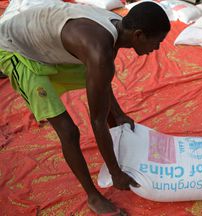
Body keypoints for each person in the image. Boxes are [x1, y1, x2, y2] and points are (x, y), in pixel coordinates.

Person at [0, 1, 170, 215]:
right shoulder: (99, 50)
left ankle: (118, 145)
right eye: (157, 42)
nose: (156, 49)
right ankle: (93, 197)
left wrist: (118, 114)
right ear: (138, 35)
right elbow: (97, 121)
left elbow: (102, 81)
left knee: (101, 84)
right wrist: (116, 173)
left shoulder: (115, 28)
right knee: (69, 132)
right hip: (13, 49)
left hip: (41, 44)